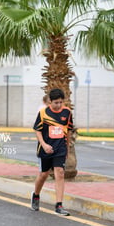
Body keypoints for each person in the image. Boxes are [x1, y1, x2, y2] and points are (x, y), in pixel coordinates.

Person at [31, 88, 73, 216]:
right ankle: (36, 195)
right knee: (43, 175)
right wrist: (44, 145)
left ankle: (59, 205)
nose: (59, 105)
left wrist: (67, 148)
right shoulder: (43, 113)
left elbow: (69, 130)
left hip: (60, 148)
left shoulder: (67, 112)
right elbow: (37, 130)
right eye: (56, 102)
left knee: (59, 173)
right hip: (46, 149)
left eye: (61, 102)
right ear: (50, 101)